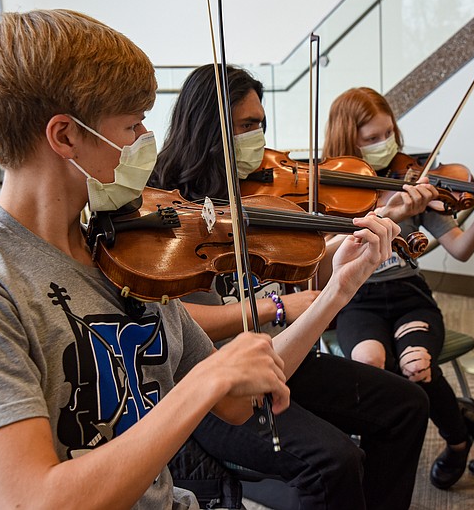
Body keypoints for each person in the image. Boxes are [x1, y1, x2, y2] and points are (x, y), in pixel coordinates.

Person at [0, 10, 401, 510]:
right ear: (65, 136)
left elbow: (236, 401)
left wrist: (338, 291)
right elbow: (34, 500)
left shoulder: (126, 253)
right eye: (133, 124)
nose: (149, 140)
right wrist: (207, 381)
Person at [149, 64, 431, 510]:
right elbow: (185, 322)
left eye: (261, 125)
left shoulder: (259, 193)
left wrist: (338, 262)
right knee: (333, 461)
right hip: (211, 386)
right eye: (246, 126)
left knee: (407, 405)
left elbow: (298, 277)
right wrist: (273, 308)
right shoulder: (167, 205)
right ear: (209, 126)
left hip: (285, 355)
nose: (258, 138)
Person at [322, 86, 474, 490]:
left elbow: (459, 248)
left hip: (410, 296)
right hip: (358, 301)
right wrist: (387, 210)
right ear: (346, 142)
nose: (383, 145)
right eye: (370, 139)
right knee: (371, 363)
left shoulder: (414, 180)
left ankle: (457, 441)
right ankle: (390, 462)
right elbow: (322, 259)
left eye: (387, 133)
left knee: (416, 364)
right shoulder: (331, 191)